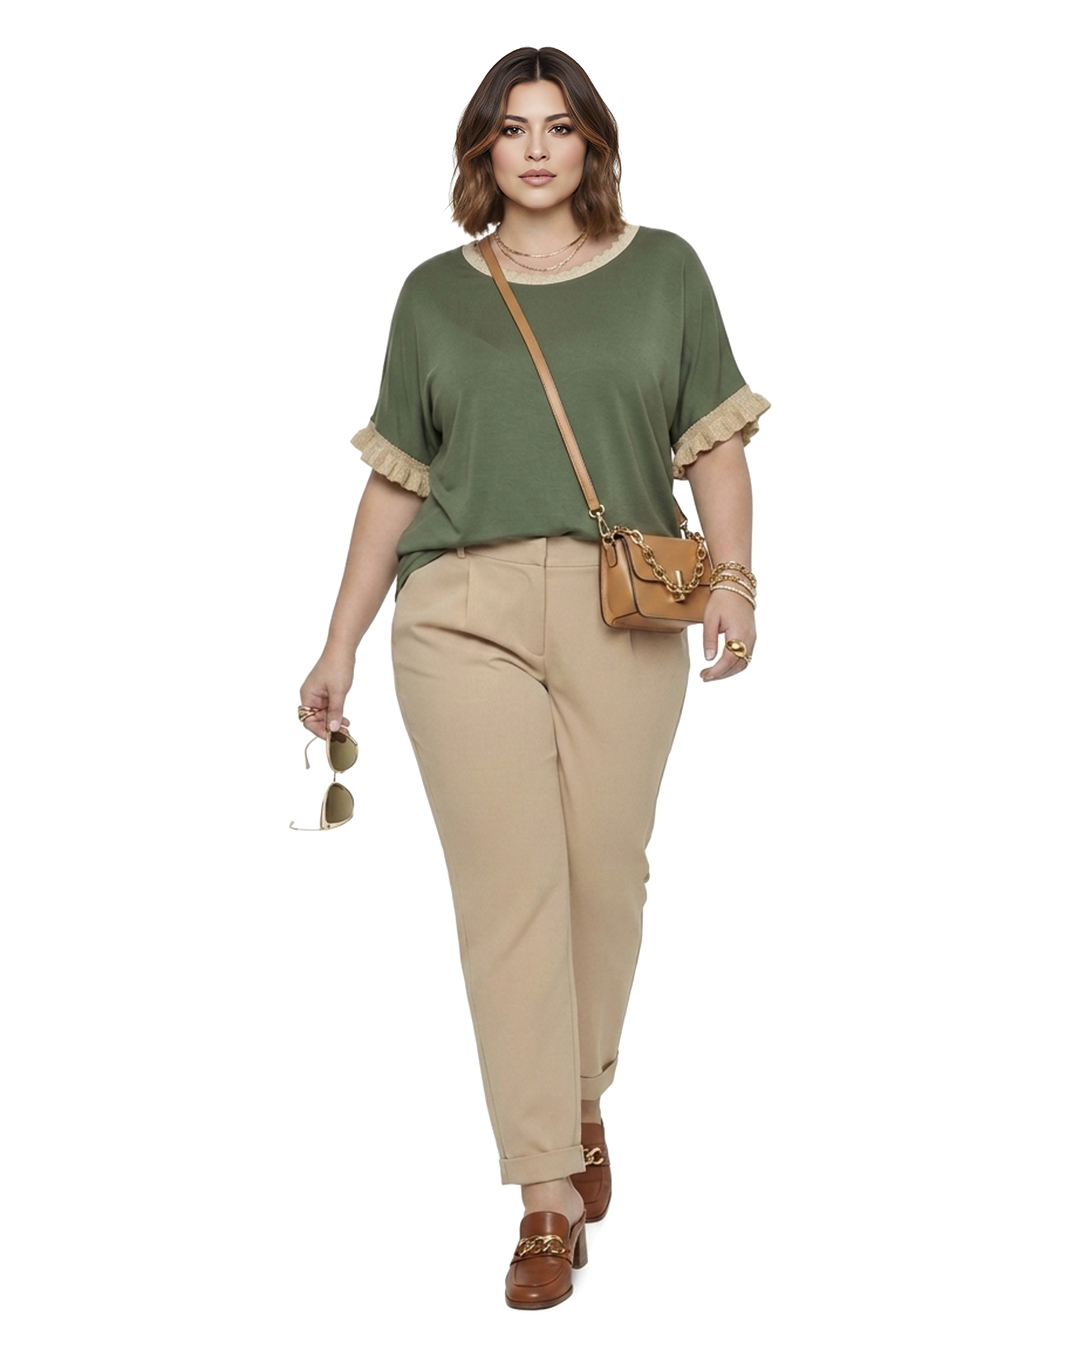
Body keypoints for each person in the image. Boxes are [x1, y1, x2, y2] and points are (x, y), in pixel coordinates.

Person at [298, 47, 769, 1309]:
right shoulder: (433, 295)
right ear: (483, 151)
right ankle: (545, 1195)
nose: (539, 150)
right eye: (513, 130)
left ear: (591, 144)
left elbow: (716, 450)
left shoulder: (666, 272)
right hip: (460, 611)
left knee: (606, 876)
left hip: (626, 607)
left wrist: (735, 581)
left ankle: (577, 1093)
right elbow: (396, 485)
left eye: (560, 128)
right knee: (511, 894)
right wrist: (339, 643)